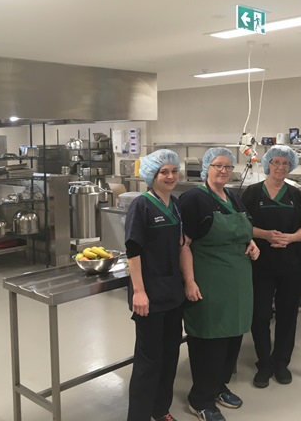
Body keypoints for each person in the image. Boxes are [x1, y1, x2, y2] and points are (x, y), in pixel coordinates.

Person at [179, 147, 260, 421]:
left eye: (228, 166)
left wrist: (251, 244)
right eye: (217, 166)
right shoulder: (193, 199)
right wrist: (189, 281)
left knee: (232, 338)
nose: (223, 171)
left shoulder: (234, 198)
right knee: (208, 340)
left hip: (237, 283)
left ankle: (217, 386)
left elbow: (244, 230)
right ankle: (199, 398)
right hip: (209, 282)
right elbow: (184, 245)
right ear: (207, 168)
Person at [240, 145, 301, 388]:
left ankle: (281, 362)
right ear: (268, 163)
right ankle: (264, 362)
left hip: (292, 264)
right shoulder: (251, 193)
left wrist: (291, 238)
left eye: (285, 163)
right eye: (276, 162)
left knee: (287, 314)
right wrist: (265, 235)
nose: (280, 167)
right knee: (260, 314)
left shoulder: (295, 195)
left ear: (290, 166)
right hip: (260, 264)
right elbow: (241, 226)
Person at [125, 149, 185, 421]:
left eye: (174, 171)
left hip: (173, 293)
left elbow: (182, 245)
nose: (170, 176)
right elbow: (133, 251)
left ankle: (160, 410)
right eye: (164, 172)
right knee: (149, 361)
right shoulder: (142, 205)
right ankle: (137, 416)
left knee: (170, 356)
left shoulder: (175, 204)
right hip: (149, 295)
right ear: (152, 175)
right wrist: (139, 291)